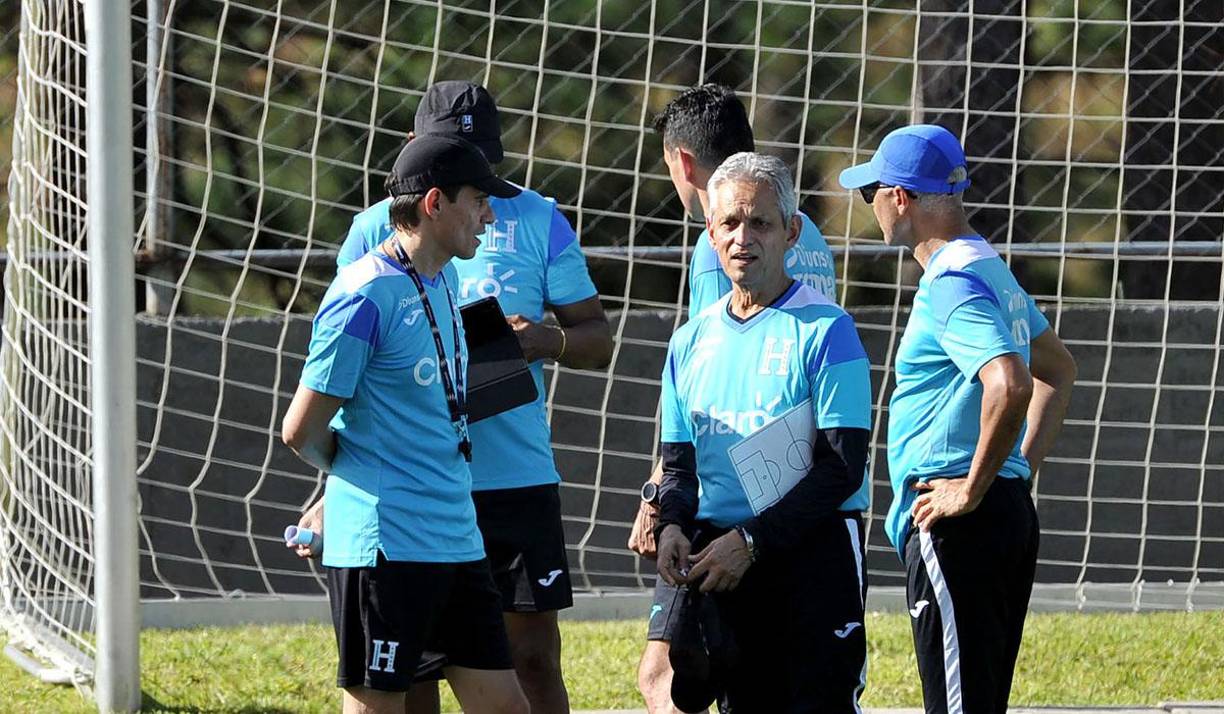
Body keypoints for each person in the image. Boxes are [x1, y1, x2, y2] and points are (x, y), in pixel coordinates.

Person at [294, 81, 613, 714]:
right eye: (456, 157)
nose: (483, 186)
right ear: (420, 161)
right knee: (409, 679)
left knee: (530, 661)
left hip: (509, 477)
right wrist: (336, 491)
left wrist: (541, 341)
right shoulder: (374, 246)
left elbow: (597, 339)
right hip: (407, 496)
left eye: (484, 159)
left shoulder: (533, 217)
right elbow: (340, 383)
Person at [281, 135, 529, 714]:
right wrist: (352, 483)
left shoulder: (444, 279)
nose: (490, 215)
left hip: (457, 539)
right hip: (387, 551)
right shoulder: (364, 294)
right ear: (435, 203)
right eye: (478, 200)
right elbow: (301, 430)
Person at [838, 124, 1077, 714]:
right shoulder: (990, 270)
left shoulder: (951, 282)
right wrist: (1013, 471)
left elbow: (1014, 381)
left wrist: (973, 487)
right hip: (999, 511)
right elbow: (1060, 369)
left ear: (901, 198)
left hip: (958, 524)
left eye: (872, 193)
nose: (869, 207)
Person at [627, 82, 838, 713]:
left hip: (728, 493)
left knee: (667, 674)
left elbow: (702, 385)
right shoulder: (805, 233)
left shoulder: (714, 244)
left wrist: (658, 496)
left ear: (683, 163)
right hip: (795, 487)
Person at [655, 152, 872, 711]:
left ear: (791, 231)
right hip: (722, 567)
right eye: (729, 222)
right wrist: (673, 524)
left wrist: (752, 542)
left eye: (760, 222)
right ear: (710, 230)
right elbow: (679, 465)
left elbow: (843, 467)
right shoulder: (687, 343)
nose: (742, 237)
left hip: (811, 559)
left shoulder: (829, 330)